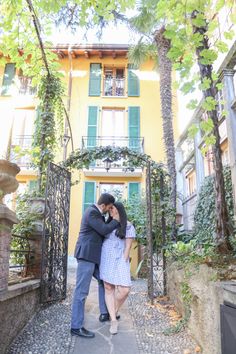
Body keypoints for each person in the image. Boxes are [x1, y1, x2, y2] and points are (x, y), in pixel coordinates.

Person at [71, 193, 120, 338]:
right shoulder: (91, 212)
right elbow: (105, 230)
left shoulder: (98, 214)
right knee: (81, 291)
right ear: (103, 205)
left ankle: (105, 313)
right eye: (109, 208)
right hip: (86, 256)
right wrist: (116, 220)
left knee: (104, 282)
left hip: (94, 257)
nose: (109, 210)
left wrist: (111, 217)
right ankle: (76, 326)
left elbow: (104, 230)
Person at [99, 201, 136, 335]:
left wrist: (123, 262)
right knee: (109, 288)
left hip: (120, 258)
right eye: (109, 210)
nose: (110, 211)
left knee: (125, 290)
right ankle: (113, 320)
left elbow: (128, 247)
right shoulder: (107, 224)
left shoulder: (128, 226)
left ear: (119, 210)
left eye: (112, 209)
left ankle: (113, 311)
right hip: (106, 257)